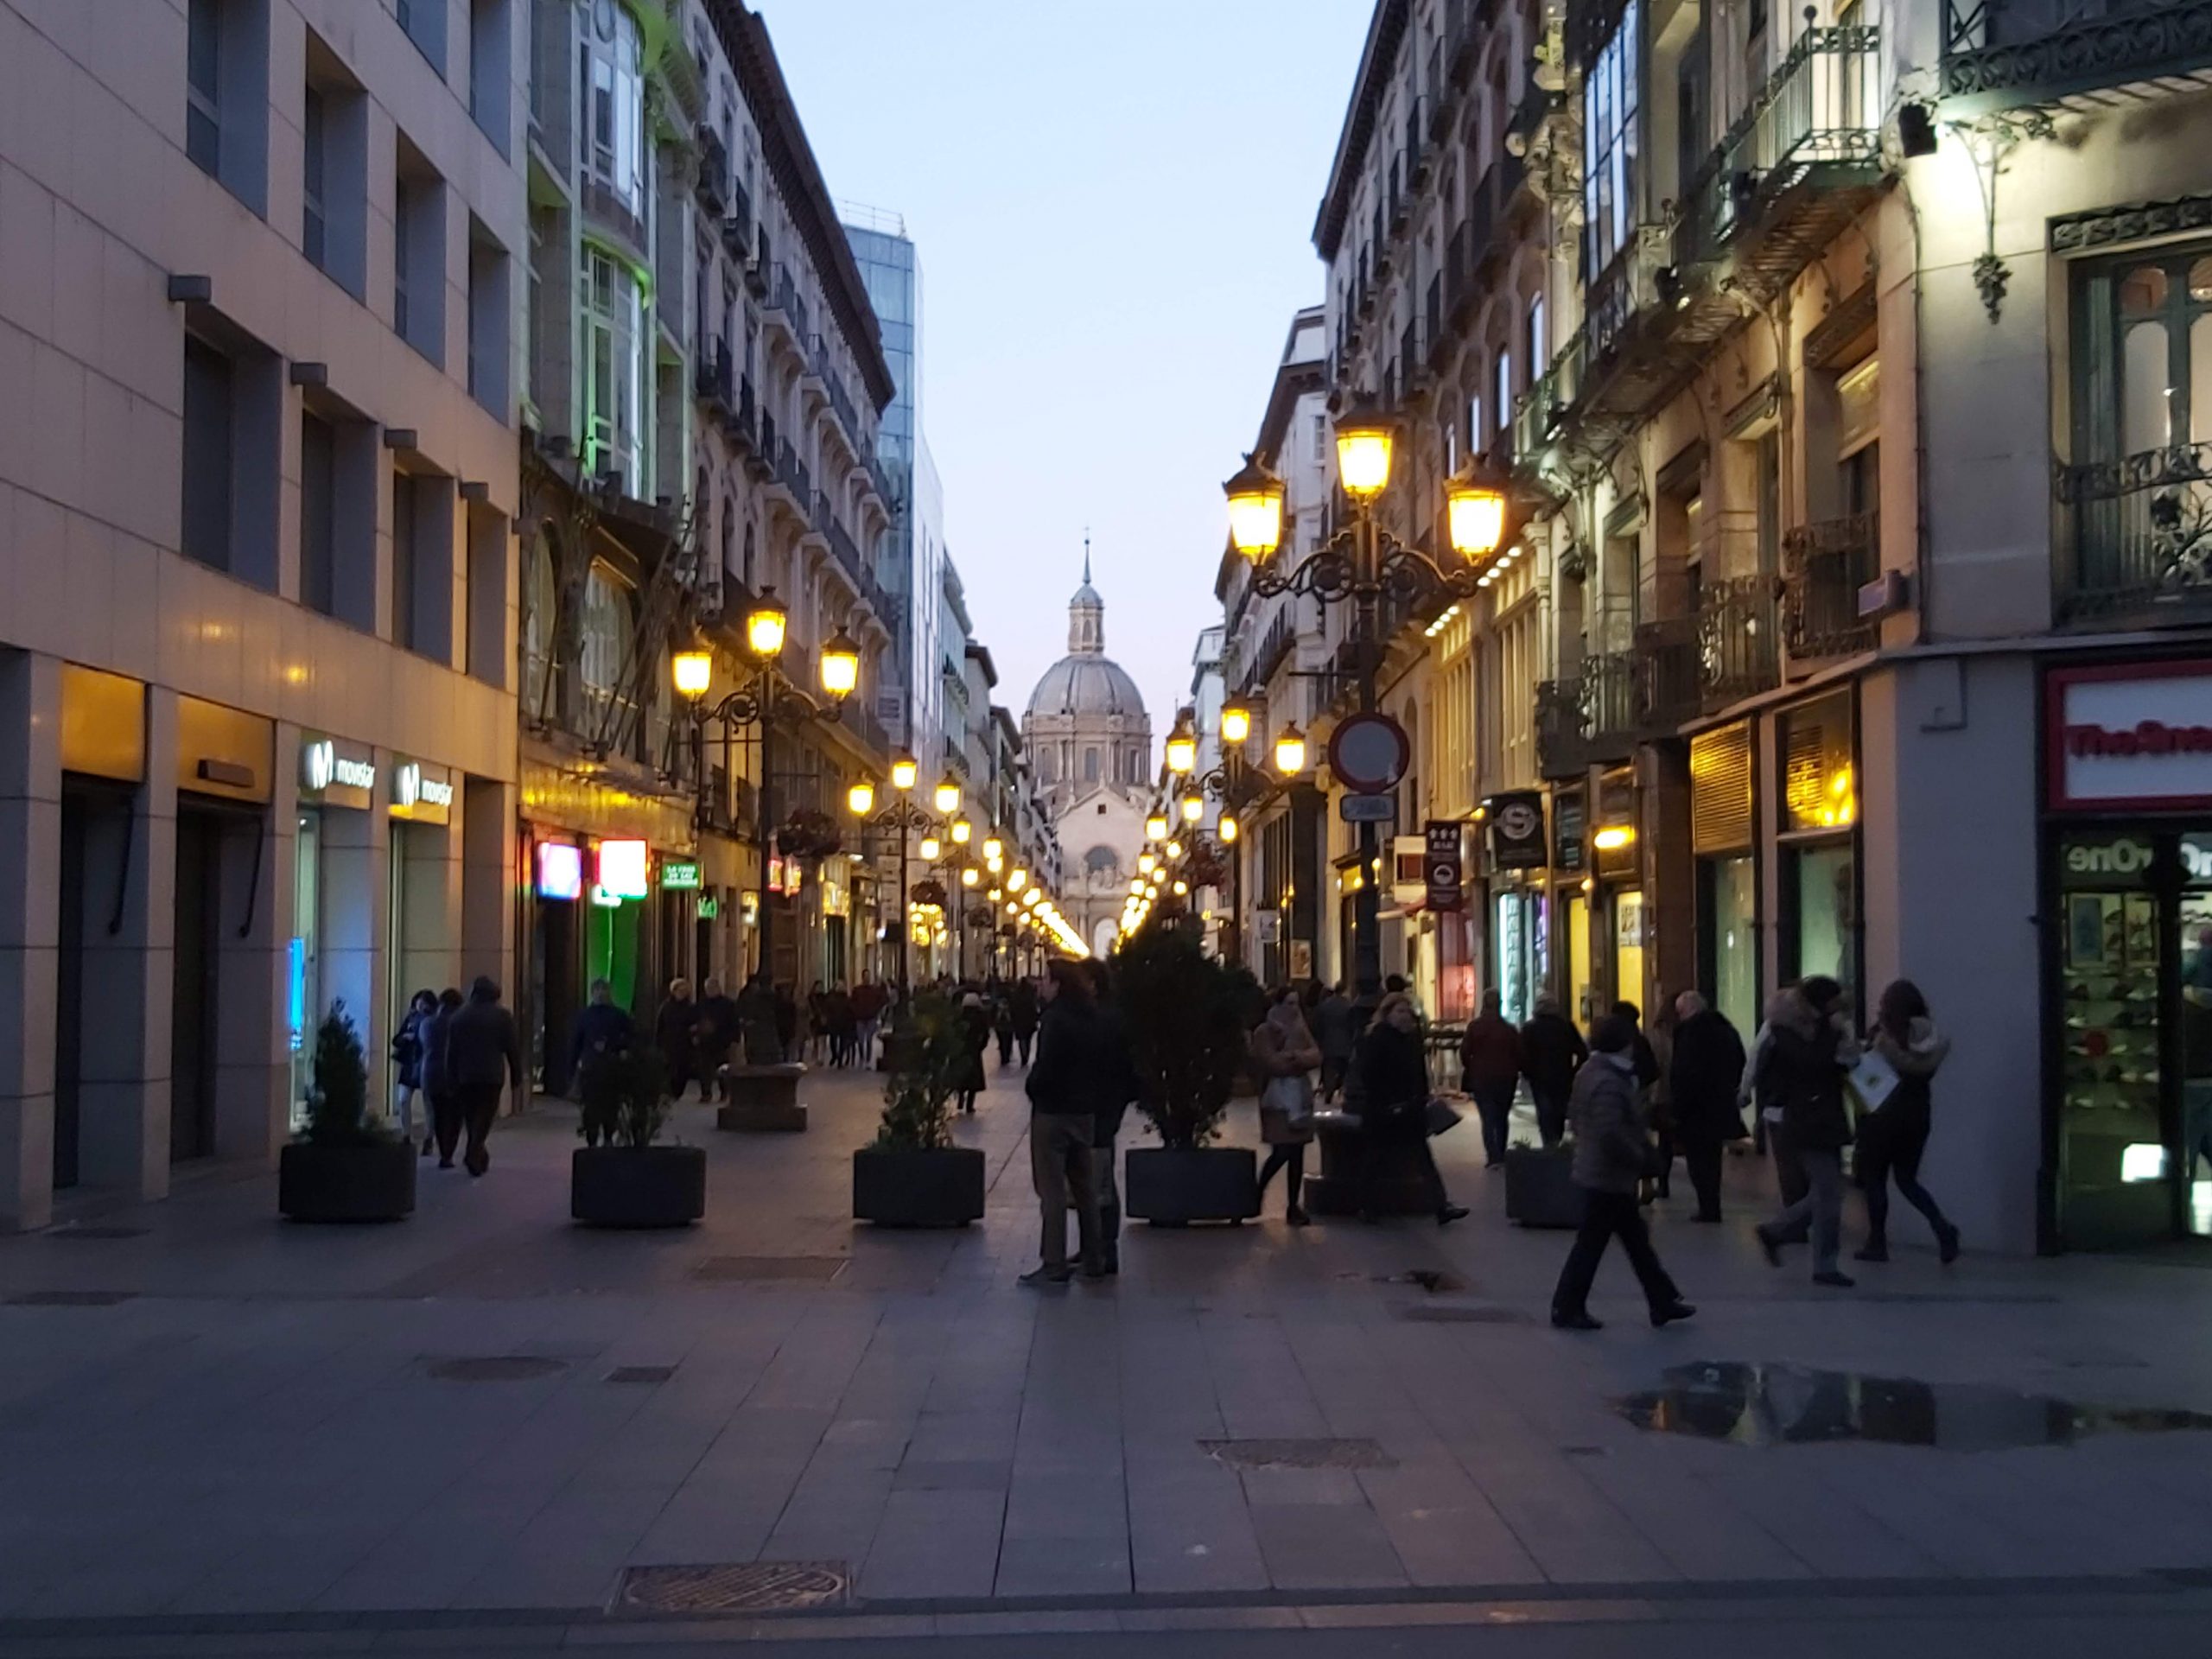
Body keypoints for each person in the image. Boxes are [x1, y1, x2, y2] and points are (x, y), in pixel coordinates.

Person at [1550, 1015, 1696, 1332]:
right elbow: (1610, 1132)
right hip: (1607, 1176)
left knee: (1634, 1241)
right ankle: (1568, 1306)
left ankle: (1661, 1300)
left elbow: (1578, 1118)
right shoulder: (1608, 1081)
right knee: (1594, 1244)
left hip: (1600, 1172)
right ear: (1625, 1043)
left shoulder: (1592, 1071)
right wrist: (1638, 1157)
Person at [1754, 976, 1861, 1287]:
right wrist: (1833, 1033)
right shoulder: (1786, 1030)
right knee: (1828, 1192)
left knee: (1828, 1190)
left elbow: (1831, 1065)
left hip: (1826, 1116)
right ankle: (1824, 1264)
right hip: (1805, 1120)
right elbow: (1810, 1062)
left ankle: (1776, 1231)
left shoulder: (1820, 1028)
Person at [1856, 980, 1961, 1264]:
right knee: (1906, 1180)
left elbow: (1866, 1068)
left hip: (1882, 1114)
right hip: (1917, 1115)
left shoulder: (1883, 1033)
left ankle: (1877, 1241)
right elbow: (1923, 1072)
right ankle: (1941, 1226)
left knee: (1875, 1179)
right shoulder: (1929, 1036)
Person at [1021, 960, 1107, 1284]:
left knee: (1052, 1190)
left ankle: (1054, 1262)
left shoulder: (1055, 1019)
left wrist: (1033, 1087)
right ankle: (1094, 1257)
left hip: (1053, 1114)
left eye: (1045, 979)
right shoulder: (1091, 1016)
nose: (1041, 985)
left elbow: (1046, 1067)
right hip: (1084, 1113)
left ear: (1058, 985)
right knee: (1085, 1188)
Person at [1354, 992, 1469, 1226]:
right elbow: (1368, 1075)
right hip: (1384, 1111)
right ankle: (1367, 1206)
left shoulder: (1412, 1039)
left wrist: (1423, 1096)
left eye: (1407, 1011)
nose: (1405, 1016)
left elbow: (1419, 1072)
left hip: (1410, 1110)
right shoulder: (1377, 1038)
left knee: (1423, 1159)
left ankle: (1441, 1206)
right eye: (1400, 1011)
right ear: (1387, 1014)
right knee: (1376, 1159)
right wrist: (1388, 1102)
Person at [1667, 990, 1746, 1223]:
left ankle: (1707, 1205)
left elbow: (1684, 1072)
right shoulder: (1726, 1029)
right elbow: (1739, 1060)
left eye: (1680, 1012)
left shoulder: (1690, 1034)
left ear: (1687, 1010)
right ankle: (1712, 1203)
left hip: (1696, 1108)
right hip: (1720, 1103)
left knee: (1698, 1159)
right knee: (1712, 1157)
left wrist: (1678, 1106)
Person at [1082, 958, 1141, 1268]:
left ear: (1093, 984)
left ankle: (1104, 1247)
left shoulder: (1100, 1018)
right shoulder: (1111, 1015)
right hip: (1109, 1103)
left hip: (1099, 1104)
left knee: (1099, 1174)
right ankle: (1098, 1244)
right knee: (1099, 1172)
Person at [1252, 986, 1322, 1224]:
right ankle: (1257, 1192)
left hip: (1299, 1099)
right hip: (1277, 1102)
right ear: (1278, 1005)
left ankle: (1293, 1206)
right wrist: (1297, 1060)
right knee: (1281, 1151)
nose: (1294, 1009)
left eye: (1296, 1003)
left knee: (1297, 1154)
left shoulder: (1300, 1028)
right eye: (1289, 1003)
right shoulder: (1265, 1031)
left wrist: (1295, 1058)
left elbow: (1316, 1055)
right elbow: (1272, 1064)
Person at [442, 976, 524, 1178]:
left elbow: (451, 1052)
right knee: (485, 1116)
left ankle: (477, 1154)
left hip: (465, 1075)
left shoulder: (459, 1017)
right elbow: (512, 1048)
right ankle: (474, 1151)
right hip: (491, 1075)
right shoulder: (502, 1016)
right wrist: (517, 1075)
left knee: (472, 1117)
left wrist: (450, 1078)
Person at [1458, 989, 1522, 1170]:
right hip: (1506, 1078)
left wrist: (1472, 1067)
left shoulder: (1474, 1027)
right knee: (1502, 1117)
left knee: (1487, 1117)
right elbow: (1519, 1054)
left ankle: (1493, 1156)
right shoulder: (1509, 1029)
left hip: (1482, 1078)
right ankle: (1501, 1152)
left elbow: (1464, 1052)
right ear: (1499, 1005)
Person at [569, 979, 634, 1147]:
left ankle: (607, 1135)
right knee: (591, 1105)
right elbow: (576, 1042)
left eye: (604, 990)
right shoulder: (585, 1015)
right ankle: (592, 1136)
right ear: (592, 993)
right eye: (597, 990)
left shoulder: (618, 1015)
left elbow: (631, 1037)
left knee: (610, 1104)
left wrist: (622, 1048)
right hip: (591, 1067)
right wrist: (573, 1067)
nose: (601, 993)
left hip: (611, 1066)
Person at [1614, 1001, 1668, 1203]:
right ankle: (1647, 1183)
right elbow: (1652, 1070)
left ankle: (1631, 1185)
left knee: (1626, 1142)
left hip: (1623, 1098)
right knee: (1640, 1140)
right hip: (1640, 1098)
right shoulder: (1640, 1040)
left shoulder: (1617, 1041)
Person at [1520, 995, 1587, 1149]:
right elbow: (1582, 1051)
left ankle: (1549, 1143)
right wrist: (1574, 1071)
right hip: (1562, 1077)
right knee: (1559, 1111)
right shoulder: (1566, 1026)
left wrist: (1528, 1072)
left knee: (1544, 1112)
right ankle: (1556, 1141)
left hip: (1539, 1078)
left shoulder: (1530, 1028)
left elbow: (1522, 1054)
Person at [390, 989, 438, 1155]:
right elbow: (397, 1039)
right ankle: (406, 1135)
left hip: (426, 1064)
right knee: (403, 1100)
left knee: (429, 1104)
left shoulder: (433, 1020)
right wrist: (405, 1038)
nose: (420, 1004)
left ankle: (429, 1138)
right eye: (419, 1001)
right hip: (410, 1065)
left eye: (423, 1002)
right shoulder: (411, 1018)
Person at [423, 988, 465, 1167]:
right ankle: (448, 1152)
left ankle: (443, 1151)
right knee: (455, 1116)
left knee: (439, 1114)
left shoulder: (427, 1023)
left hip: (432, 1073)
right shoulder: (460, 1024)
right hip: (456, 1074)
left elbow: (423, 1044)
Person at [655, 979, 698, 1102]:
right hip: (669, 1042)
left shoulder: (690, 1007)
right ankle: (670, 1093)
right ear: (674, 991)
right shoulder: (666, 1006)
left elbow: (695, 1023)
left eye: (685, 990)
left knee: (683, 1069)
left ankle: (678, 1092)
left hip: (685, 1043)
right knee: (669, 1069)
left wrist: (694, 1033)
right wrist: (658, 1042)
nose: (682, 993)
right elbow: (660, 1025)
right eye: (680, 990)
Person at [694, 976, 739, 1096]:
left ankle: (724, 1092)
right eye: (708, 988)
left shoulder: (728, 1004)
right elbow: (695, 1019)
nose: (710, 990)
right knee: (704, 1069)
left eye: (713, 987)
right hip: (705, 1041)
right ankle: (706, 1093)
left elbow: (734, 1022)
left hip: (722, 1041)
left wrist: (734, 1039)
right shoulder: (701, 1004)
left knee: (722, 1068)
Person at [1313, 982, 1357, 1103]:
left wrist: (1320, 1041)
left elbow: (1318, 1025)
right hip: (1346, 1043)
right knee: (1344, 1070)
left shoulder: (1325, 1006)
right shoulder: (1349, 1006)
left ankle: (1329, 1090)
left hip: (1329, 1043)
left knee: (1329, 1069)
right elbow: (1352, 1026)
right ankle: (1340, 1088)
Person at [955, 991, 991, 1112]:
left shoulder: (960, 1016)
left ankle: (960, 1099)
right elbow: (986, 1033)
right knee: (973, 1079)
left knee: (962, 1076)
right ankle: (970, 1105)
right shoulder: (980, 1016)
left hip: (961, 1049)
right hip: (974, 1049)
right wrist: (981, 1046)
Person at [851, 976, 887, 1068]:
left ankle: (867, 1058)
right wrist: (856, 1011)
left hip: (871, 1017)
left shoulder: (874, 990)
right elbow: (852, 1002)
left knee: (869, 1039)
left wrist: (875, 1010)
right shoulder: (857, 990)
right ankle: (862, 1055)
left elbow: (883, 1000)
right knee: (860, 1039)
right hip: (860, 1017)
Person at [1009, 976, 1040, 1066]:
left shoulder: (1016, 994)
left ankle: (1023, 1055)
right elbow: (1033, 1007)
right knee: (1028, 1039)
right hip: (1029, 1020)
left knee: (1021, 1039)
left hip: (1019, 1020)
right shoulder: (1030, 994)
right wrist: (1035, 1018)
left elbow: (1013, 1007)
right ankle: (1026, 1055)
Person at [772, 981, 799, 1062]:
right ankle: (785, 1058)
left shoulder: (778, 1003)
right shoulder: (789, 1003)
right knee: (786, 1045)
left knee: (784, 1045)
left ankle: (784, 1058)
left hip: (782, 1027)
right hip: (785, 1027)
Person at [992, 987, 1016, 1067]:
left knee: (1004, 1042)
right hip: (1006, 1027)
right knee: (1007, 1041)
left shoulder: (997, 1005)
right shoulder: (1011, 1004)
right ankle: (1006, 1056)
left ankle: (1005, 1057)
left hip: (1002, 1027)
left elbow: (994, 1017)